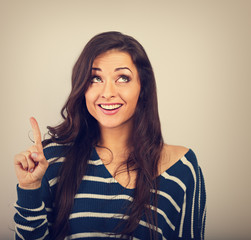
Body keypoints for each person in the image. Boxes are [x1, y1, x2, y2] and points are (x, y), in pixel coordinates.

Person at [13, 31, 206, 240]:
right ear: (82, 88)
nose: (107, 92)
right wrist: (29, 189)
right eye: (95, 78)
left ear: (143, 87)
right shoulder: (51, 160)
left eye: (122, 78)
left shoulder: (182, 168)